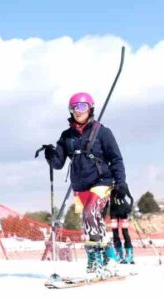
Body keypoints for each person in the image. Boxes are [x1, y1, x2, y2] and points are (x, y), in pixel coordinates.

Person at [44, 92, 128, 275]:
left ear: (90, 108)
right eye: (74, 108)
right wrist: (50, 155)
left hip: (102, 182)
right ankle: (104, 256)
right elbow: (57, 164)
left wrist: (120, 183)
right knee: (89, 221)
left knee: (91, 213)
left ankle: (99, 257)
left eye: (82, 107)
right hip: (80, 185)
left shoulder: (102, 132)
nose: (78, 111)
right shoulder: (67, 136)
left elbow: (116, 159)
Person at [109, 188, 134, 264]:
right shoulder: (108, 184)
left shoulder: (122, 184)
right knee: (115, 233)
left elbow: (131, 197)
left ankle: (129, 255)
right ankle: (119, 254)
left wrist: (130, 206)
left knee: (125, 232)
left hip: (124, 211)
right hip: (113, 212)